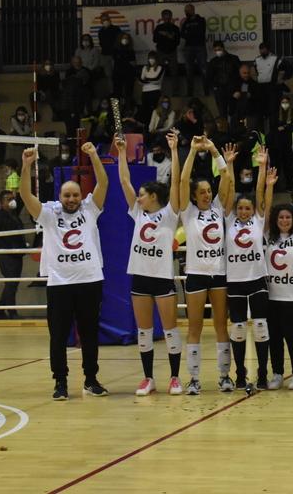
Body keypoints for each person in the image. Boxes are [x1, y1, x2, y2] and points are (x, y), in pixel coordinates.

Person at [21, 144, 108, 399]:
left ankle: (91, 379)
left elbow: (103, 183)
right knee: (58, 336)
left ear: (82, 196)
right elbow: (26, 195)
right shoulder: (49, 214)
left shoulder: (91, 209)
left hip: (90, 281)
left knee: (90, 333)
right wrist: (26, 166)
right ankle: (60, 382)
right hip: (59, 283)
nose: (71, 199)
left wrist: (93, 156)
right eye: (67, 195)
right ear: (60, 196)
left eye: (75, 195)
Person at [116, 133, 182, 396]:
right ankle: (148, 378)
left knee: (170, 330)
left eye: (142, 195)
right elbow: (123, 180)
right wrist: (122, 152)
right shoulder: (138, 212)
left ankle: (175, 378)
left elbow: (176, 182)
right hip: (140, 277)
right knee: (144, 331)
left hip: (162, 278)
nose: (139, 198)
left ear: (154, 196)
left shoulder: (168, 215)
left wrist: (175, 150)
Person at [177, 137, 233, 394]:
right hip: (196, 275)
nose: (207, 194)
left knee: (222, 324)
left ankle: (224, 376)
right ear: (194, 196)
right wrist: (190, 150)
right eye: (202, 192)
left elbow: (225, 177)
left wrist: (213, 150)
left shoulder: (219, 208)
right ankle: (194, 378)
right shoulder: (187, 211)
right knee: (195, 327)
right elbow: (181, 180)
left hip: (219, 274)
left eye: (208, 191)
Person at [224, 147, 275, 392]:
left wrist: (262, 167)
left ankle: (263, 372)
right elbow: (230, 190)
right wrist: (229, 165)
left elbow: (260, 193)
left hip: (257, 279)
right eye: (241, 208)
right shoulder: (228, 221)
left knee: (261, 326)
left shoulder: (258, 220)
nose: (244, 211)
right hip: (234, 281)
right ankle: (241, 373)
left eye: (248, 208)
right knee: (238, 327)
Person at [265, 168, 293, 390]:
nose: (284, 220)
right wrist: (269, 186)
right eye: (280, 217)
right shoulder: (268, 238)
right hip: (271, 296)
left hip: (291, 297)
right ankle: (278, 373)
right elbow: (264, 210)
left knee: (292, 335)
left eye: (288, 217)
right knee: (274, 337)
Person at [0, 190, 26, 320]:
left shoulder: (13, 215)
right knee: (11, 283)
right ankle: (12, 312)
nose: (12, 201)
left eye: (13, 198)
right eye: (8, 199)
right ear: (2, 202)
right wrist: (7, 247)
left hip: (16, 255)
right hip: (7, 256)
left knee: (12, 284)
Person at [254, 42, 293, 126]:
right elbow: (256, 71)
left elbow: (289, 68)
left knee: (273, 110)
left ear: (268, 49)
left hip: (273, 88)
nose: (262, 51)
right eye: (261, 49)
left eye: (264, 49)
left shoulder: (276, 59)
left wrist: (283, 78)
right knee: (262, 111)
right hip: (261, 88)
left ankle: (274, 128)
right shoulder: (256, 60)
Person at [206, 41, 241, 122]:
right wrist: (214, 88)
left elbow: (240, 75)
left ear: (223, 48)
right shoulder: (213, 62)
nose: (217, 52)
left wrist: (238, 89)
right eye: (215, 50)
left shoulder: (233, 59)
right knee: (222, 114)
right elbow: (209, 77)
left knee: (234, 112)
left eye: (219, 49)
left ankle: (234, 131)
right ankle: (225, 132)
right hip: (220, 90)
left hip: (233, 89)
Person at [180, 4, 207, 97]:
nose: (186, 12)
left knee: (204, 70)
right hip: (188, 48)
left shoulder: (201, 20)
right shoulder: (185, 22)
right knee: (188, 71)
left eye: (187, 10)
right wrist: (191, 33)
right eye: (185, 11)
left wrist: (190, 33)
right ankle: (189, 93)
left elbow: (200, 32)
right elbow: (182, 34)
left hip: (200, 47)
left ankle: (206, 92)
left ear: (192, 10)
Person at [152, 10, 180, 97]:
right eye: (165, 17)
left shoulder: (175, 28)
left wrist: (169, 36)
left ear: (171, 17)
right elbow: (154, 40)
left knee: (174, 73)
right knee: (159, 73)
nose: (167, 19)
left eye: (168, 17)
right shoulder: (159, 28)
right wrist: (163, 35)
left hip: (172, 52)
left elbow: (178, 42)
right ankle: (159, 93)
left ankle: (175, 93)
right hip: (161, 52)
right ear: (162, 18)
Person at [138, 52, 165, 125]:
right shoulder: (145, 68)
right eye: (150, 58)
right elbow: (140, 81)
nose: (151, 60)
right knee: (145, 111)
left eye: (153, 58)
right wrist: (150, 80)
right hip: (145, 92)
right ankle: (146, 127)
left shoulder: (160, 68)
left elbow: (157, 80)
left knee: (154, 111)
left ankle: (154, 126)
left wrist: (146, 79)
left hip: (155, 92)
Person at [111, 33, 137, 105]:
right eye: (123, 38)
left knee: (128, 94)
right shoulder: (115, 50)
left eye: (126, 38)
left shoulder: (131, 51)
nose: (125, 40)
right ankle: (116, 114)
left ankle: (128, 111)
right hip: (117, 74)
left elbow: (133, 63)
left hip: (129, 75)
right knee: (116, 94)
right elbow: (113, 63)